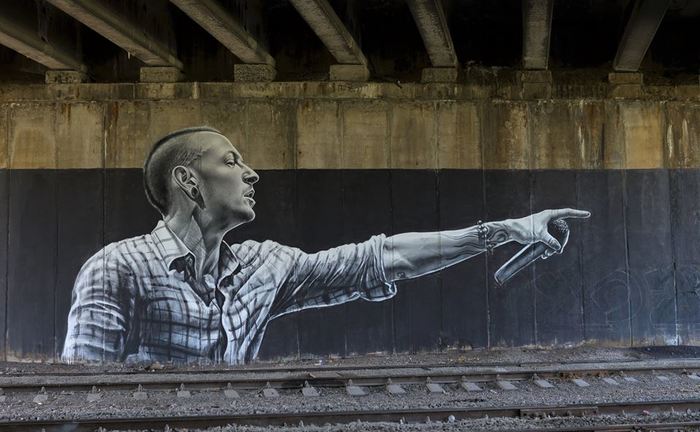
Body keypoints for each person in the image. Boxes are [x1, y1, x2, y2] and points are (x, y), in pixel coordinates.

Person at [62, 127, 590, 364]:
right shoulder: (117, 268)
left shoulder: (264, 268)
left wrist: (507, 229)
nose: (251, 173)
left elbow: (383, 258)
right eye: (231, 161)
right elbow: (83, 400)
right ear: (188, 181)